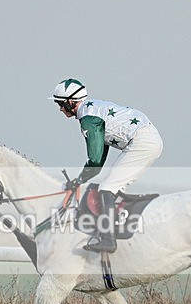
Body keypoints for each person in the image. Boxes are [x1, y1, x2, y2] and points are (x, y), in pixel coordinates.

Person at [50, 78, 163, 253]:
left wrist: (79, 179)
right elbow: (99, 162)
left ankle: (108, 239)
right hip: (146, 138)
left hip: (142, 141)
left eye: (60, 103)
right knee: (109, 185)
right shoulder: (93, 109)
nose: (59, 108)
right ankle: (115, 225)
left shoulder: (89, 119)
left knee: (107, 188)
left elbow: (94, 160)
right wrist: (80, 180)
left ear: (71, 102)